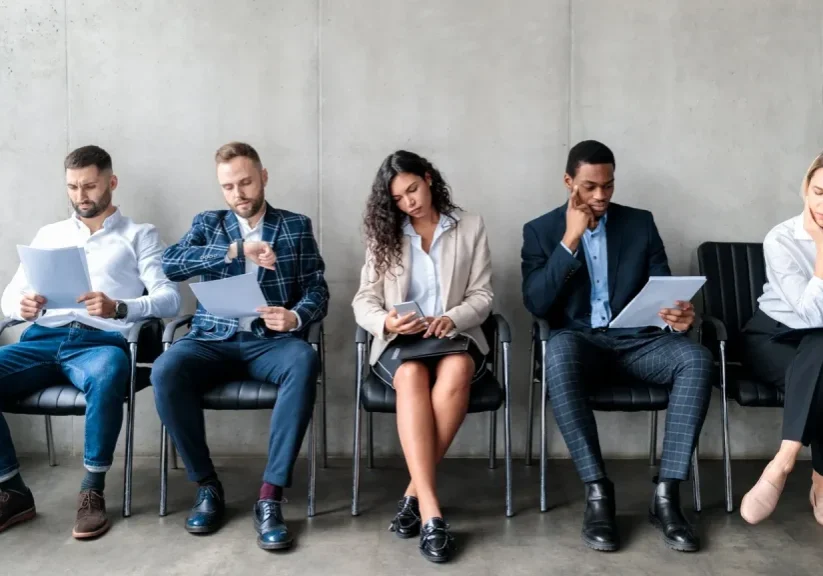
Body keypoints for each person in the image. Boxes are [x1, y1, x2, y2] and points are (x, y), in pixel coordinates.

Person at [521, 140, 713, 553]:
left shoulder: (640, 224)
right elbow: (536, 303)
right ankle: (597, 492)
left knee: (697, 358)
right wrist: (569, 241)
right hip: (581, 345)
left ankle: (666, 494)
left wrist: (678, 316)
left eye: (608, 185)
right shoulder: (540, 231)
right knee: (557, 349)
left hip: (639, 343)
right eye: (590, 186)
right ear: (569, 182)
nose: (601, 196)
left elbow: (661, 289)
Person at [151, 142, 328, 551]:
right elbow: (171, 263)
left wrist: (296, 316)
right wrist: (235, 250)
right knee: (165, 369)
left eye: (245, 182)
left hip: (270, 342)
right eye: (228, 187)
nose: (238, 194)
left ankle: (270, 495)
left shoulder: (295, 225)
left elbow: (317, 287)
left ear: (263, 177)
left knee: (304, 359)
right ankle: (207, 486)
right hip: (212, 339)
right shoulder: (209, 224)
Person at [0, 145, 180, 539]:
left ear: (111, 183)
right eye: (73, 187)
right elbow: (8, 297)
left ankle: (92, 491)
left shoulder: (140, 235)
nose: (81, 196)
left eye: (90, 186)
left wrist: (120, 308)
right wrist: (22, 304)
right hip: (44, 338)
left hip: (101, 343)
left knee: (110, 372)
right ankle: (12, 489)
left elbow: (170, 298)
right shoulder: (49, 235)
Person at [352, 150, 493, 564]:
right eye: (398, 198)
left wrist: (450, 318)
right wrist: (389, 323)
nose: (409, 202)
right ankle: (431, 511)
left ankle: (414, 498)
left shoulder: (470, 226)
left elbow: (483, 295)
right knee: (411, 375)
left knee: (459, 367)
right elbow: (364, 300)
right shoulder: (386, 236)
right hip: (403, 344)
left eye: (413, 189)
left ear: (428, 179)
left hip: (453, 336)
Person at [738, 152, 823, 526]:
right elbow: (811, 313)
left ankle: (782, 461)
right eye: (819, 191)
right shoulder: (782, 238)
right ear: (805, 189)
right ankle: (818, 476)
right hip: (772, 338)